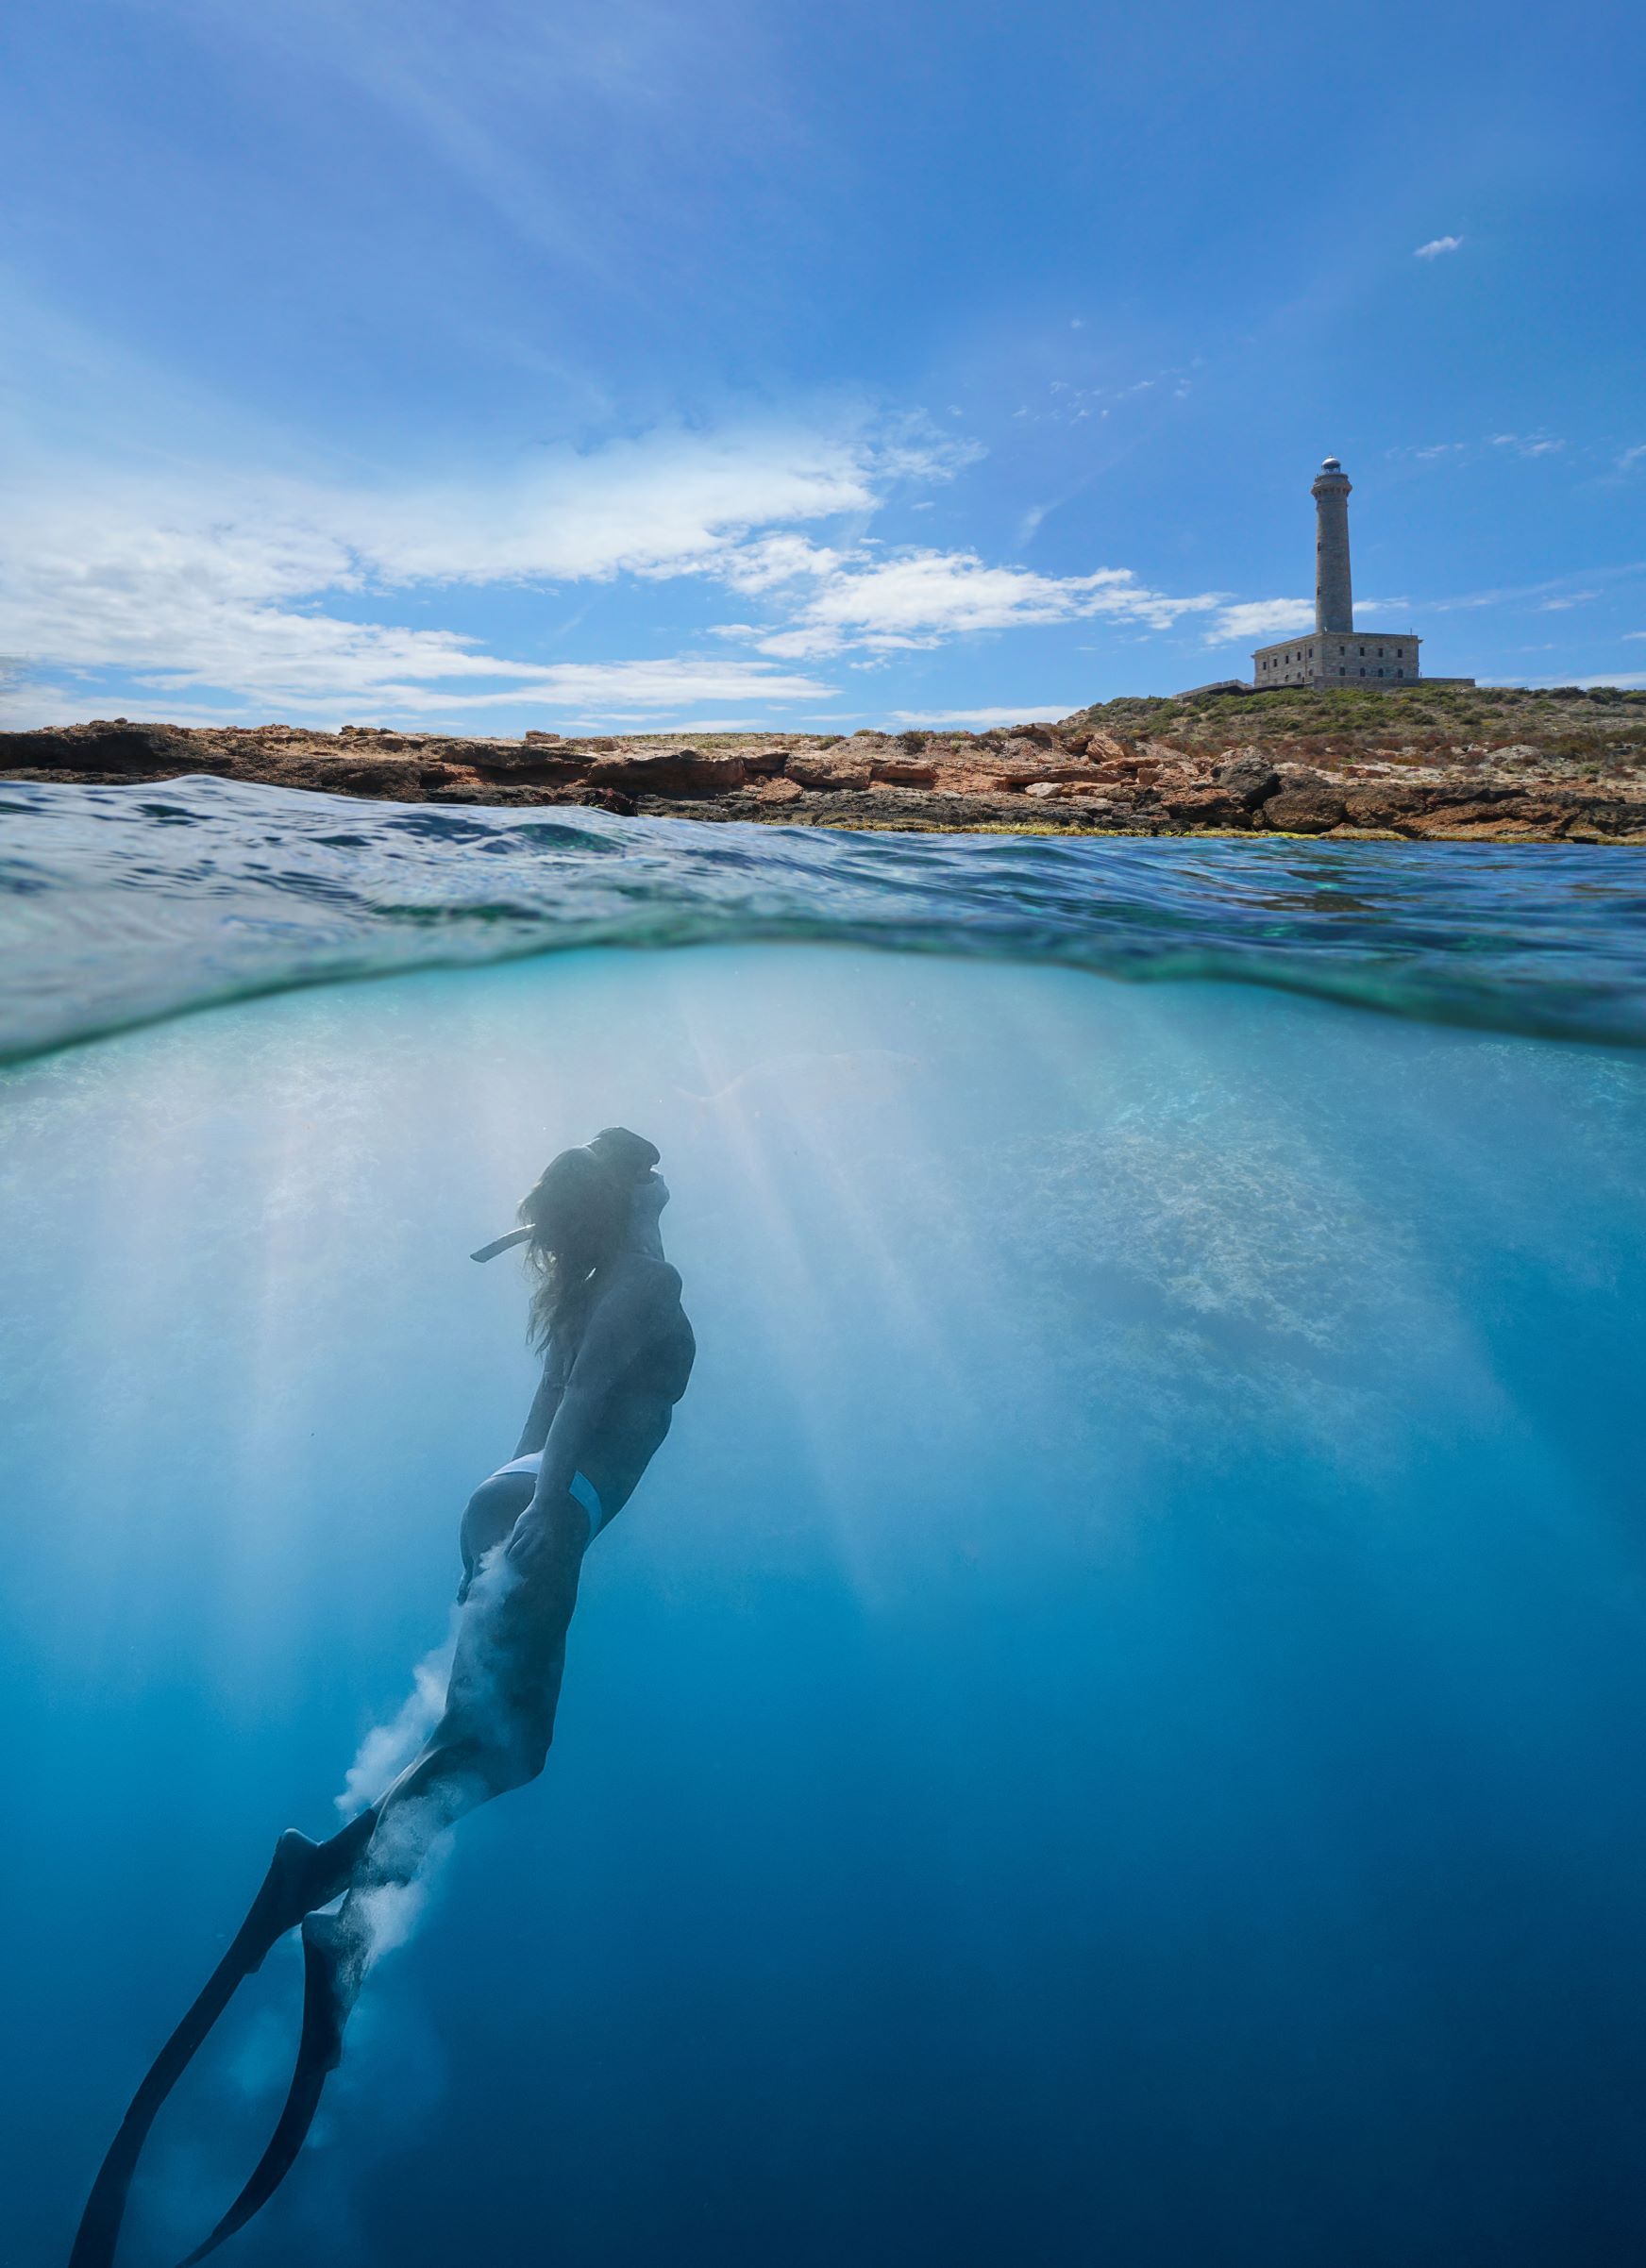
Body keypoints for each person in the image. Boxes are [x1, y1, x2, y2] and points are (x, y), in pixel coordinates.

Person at [71, 1130, 695, 2268]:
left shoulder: (610, 1283)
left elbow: (553, 1401)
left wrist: (499, 1540)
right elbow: (589, 1397)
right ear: (629, 1207)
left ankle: (340, 1914)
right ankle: (321, 1885)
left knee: (483, 1743)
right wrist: (543, 1528)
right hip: (549, 1510)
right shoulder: (643, 1282)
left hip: (513, 1504)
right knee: (509, 1751)